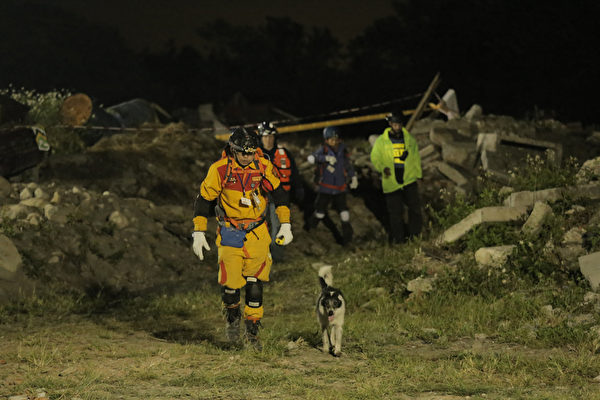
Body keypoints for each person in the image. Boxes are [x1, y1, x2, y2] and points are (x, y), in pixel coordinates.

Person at [191, 127, 293, 349]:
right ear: (233, 149)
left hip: (257, 231)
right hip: (231, 231)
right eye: (242, 152)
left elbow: (279, 193)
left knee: (255, 283)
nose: (247, 157)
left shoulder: (263, 165)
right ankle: (232, 319)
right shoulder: (219, 170)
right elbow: (203, 199)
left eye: (250, 152)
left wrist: (285, 223)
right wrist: (198, 231)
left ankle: (253, 333)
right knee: (231, 286)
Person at [370, 111, 423, 244]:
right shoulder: (382, 141)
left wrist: (419, 175)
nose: (397, 127)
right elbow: (375, 158)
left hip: (409, 179)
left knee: (415, 210)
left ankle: (416, 238)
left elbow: (415, 157)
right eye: (394, 124)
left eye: (399, 124)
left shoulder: (409, 139)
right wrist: (382, 168)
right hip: (391, 182)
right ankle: (399, 241)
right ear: (390, 124)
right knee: (395, 214)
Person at [257, 121, 304, 263]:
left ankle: (276, 257)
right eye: (265, 136)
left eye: (271, 136)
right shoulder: (253, 155)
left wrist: (299, 187)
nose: (268, 139)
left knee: (279, 227)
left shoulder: (284, 153)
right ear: (260, 137)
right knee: (257, 227)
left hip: (280, 197)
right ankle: (259, 257)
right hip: (260, 197)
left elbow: (294, 173)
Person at [307, 125, 358, 245]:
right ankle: (310, 229)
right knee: (320, 211)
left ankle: (347, 238)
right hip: (326, 187)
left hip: (340, 187)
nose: (334, 142)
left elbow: (347, 165)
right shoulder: (324, 150)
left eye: (336, 139)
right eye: (331, 139)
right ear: (326, 140)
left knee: (344, 212)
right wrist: (326, 158)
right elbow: (311, 158)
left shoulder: (343, 150)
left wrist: (354, 177)